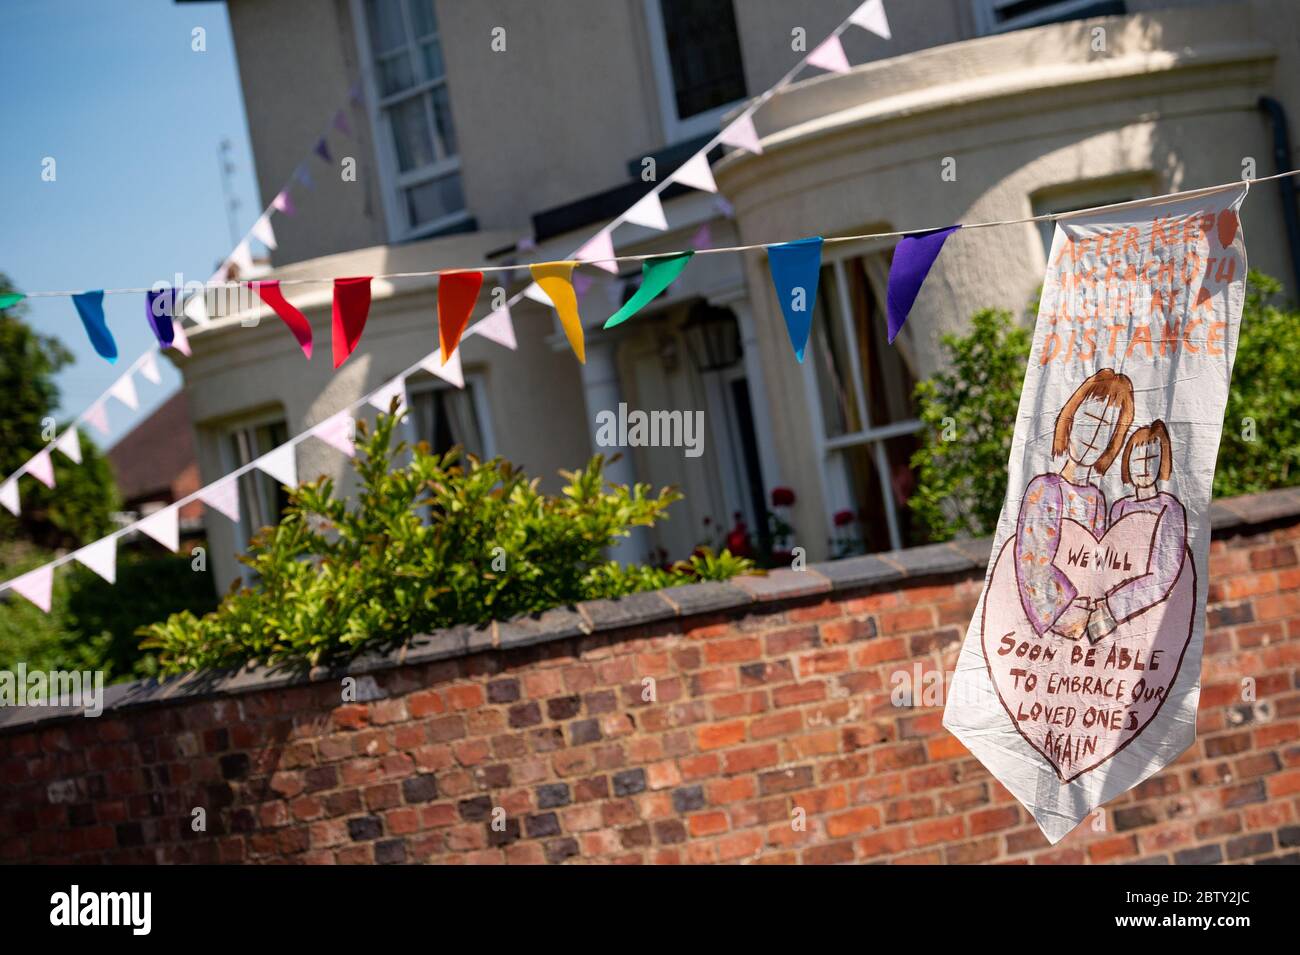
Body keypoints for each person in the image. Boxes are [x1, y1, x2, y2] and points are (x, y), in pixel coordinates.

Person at [1014, 368, 1134, 640]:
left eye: (1106, 430)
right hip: (1058, 631)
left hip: (1089, 630)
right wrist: (1070, 617)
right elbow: (1033, 567)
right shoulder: (1045, 489)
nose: (1093, 438)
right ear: (1071, 417)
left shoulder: (1097, 499)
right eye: (1089, 420)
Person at [1085, 420, 1188, 643]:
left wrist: (1111, 607)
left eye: (1150, 460)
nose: (1143, 469)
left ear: (1163, 461)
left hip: (1145, 613)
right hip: (1105, 606)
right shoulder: (1120, 507)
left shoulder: (1169, 508)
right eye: (1137, 460)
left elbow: (1164, 576)